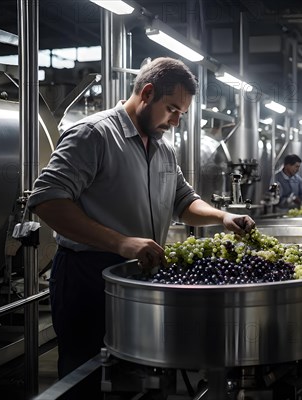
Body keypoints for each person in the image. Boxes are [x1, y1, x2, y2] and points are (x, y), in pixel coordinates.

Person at [26, 58, 256, 385]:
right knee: (84, 376)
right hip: (87, 276)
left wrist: (223, 217)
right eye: (172, 109)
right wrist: (121, 242)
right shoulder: (94, 134)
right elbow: (46, 199)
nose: (176, 121)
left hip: (139, 274)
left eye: (182, 114)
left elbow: (183, 201)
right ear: (147, 93)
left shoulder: (163, 149)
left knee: (138, 376)